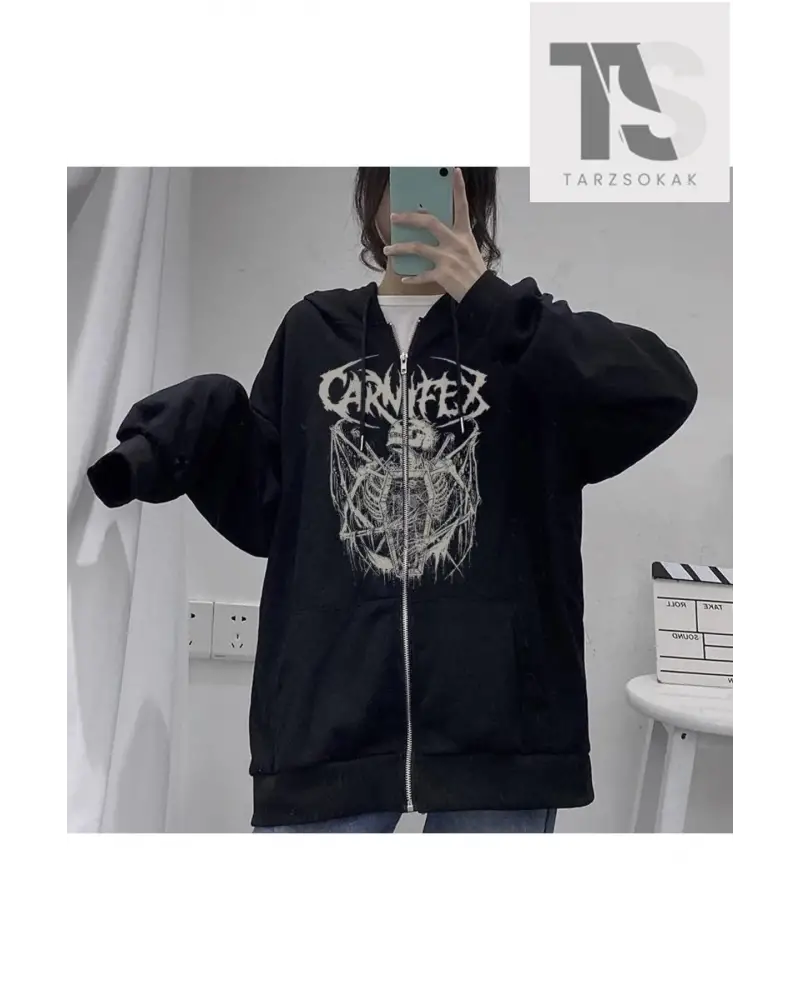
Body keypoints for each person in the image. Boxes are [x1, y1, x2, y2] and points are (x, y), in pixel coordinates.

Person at [87, 167, 698, 833]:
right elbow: (271, 512)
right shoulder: (313, 332)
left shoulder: (521, 339)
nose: (414, 198)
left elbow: (663, 389)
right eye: (399, 173)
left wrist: (488, 300)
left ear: (472, 196)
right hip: (329, 731)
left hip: (503, 736)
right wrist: (178, 438)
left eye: (438, 173)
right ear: (371, 194)